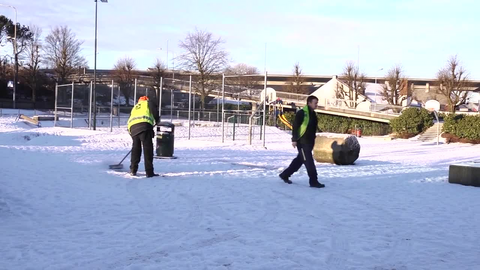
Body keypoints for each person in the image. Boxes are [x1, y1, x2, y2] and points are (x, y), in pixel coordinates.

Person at [279, 95, 325, 188]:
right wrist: (294, 139)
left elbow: (312, 127)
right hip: (302, 142)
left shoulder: (313, 114)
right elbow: (295, 126)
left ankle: (285, 175)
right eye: (315, 103)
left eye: (317, 103)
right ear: (309, 103)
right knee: (309, 162)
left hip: (310, 142)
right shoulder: (301, 113)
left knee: (299, 161)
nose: (316, 105)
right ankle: (313, 181)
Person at [127, 96, 160, 177]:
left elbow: (130, 117)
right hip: (144, 126)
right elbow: (154, 112)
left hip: (132, 128)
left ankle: (133, 170)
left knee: (136, 149)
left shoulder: (135, 107)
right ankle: (149, 172)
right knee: (147, 149)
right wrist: (157, 120)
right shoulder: (148, 103)